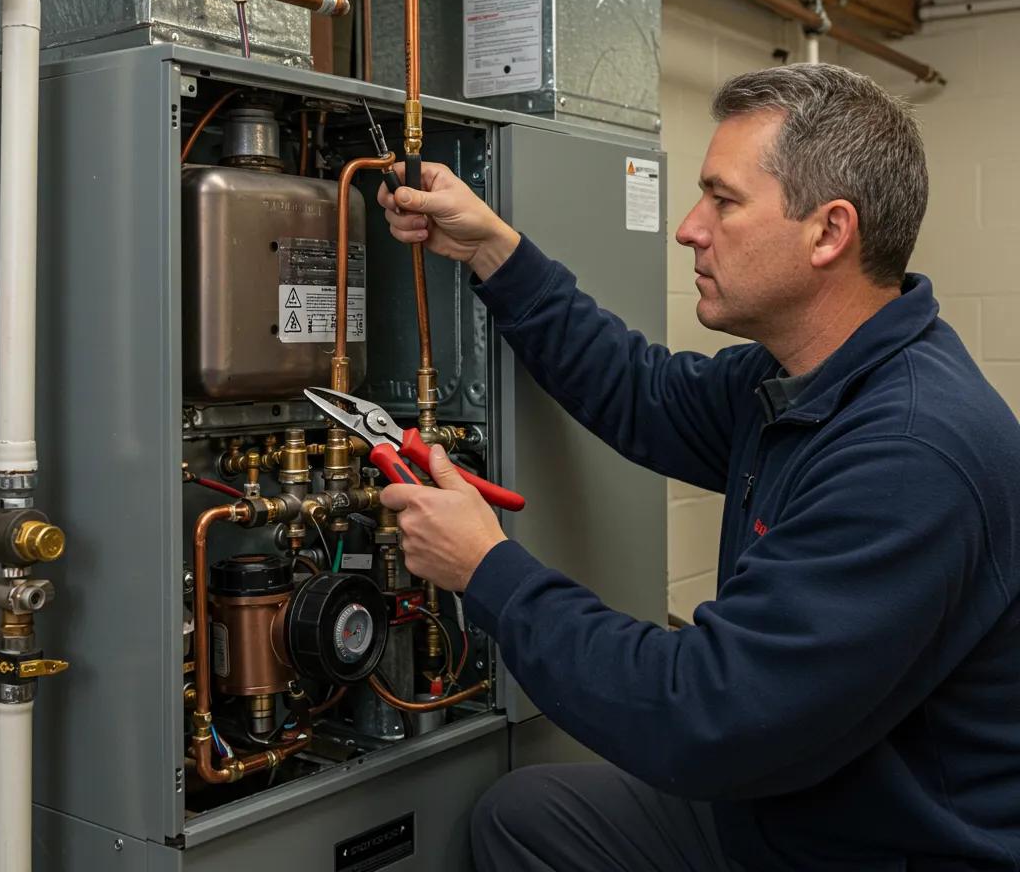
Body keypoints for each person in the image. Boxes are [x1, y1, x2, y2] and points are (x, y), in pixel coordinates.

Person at [377, 64, 1020, 872]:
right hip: (797, 802)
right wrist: (495, 253)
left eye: (723, 201)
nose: (688, 228)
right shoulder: (802, 378)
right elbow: (643, 393)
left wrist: (486, 568)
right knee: (526, 817)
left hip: (879, 847)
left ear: (829, 232)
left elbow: (704, 717)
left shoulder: (908, 454)